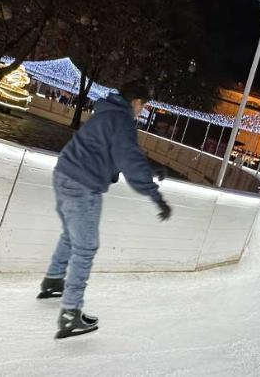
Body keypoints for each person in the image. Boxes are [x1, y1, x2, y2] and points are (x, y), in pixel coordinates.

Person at [37, 81, 172, 340]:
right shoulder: (122, 121)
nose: (142, 111)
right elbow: (128, 162)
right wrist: (157, 198)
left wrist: (151, 169)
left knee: (70, 234)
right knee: (86, 247)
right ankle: (70, 313)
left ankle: (54, 280)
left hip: (64, 173)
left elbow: (118, 153)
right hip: (84, 184)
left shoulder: (107, 111)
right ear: (136, 102)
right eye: (143, 105)